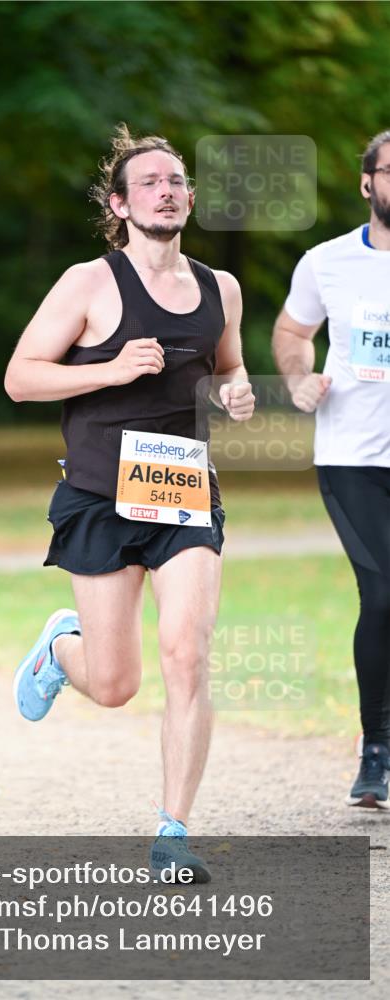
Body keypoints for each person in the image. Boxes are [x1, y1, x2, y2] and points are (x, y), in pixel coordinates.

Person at [4, 125, 254, 879]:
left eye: (175, 180)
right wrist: (107, 371)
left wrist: (236, 391)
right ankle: (59, 647)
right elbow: (21, 377)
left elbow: (228, 368)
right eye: (148, 182)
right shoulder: (88, 283)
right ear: (119, 204)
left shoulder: (221, 289)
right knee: (114, 686)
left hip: (182, 489)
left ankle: (171, 835)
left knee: (188, 651)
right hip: (99, 495)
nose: (166, 190)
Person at [272, 130, 390, 809]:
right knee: (381, 596)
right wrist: (296, 379)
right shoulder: (326, 262)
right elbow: (291, 333)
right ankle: (374, 747)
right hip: (352, 456)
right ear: (365, 182)